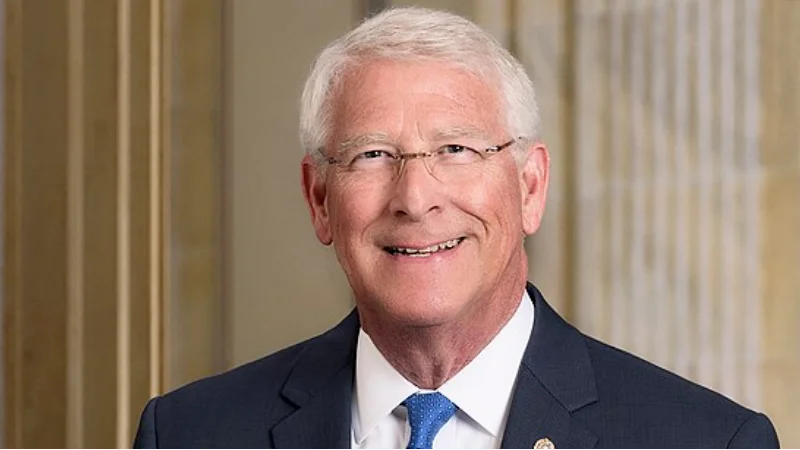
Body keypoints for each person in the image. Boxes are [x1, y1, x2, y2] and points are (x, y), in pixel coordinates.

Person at [133, 6, 779, 450]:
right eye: (372, 155)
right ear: (320, 199)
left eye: (457, 151)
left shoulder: (705, 439)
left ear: (530, 187)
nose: (415, 199)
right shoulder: (192, 432)